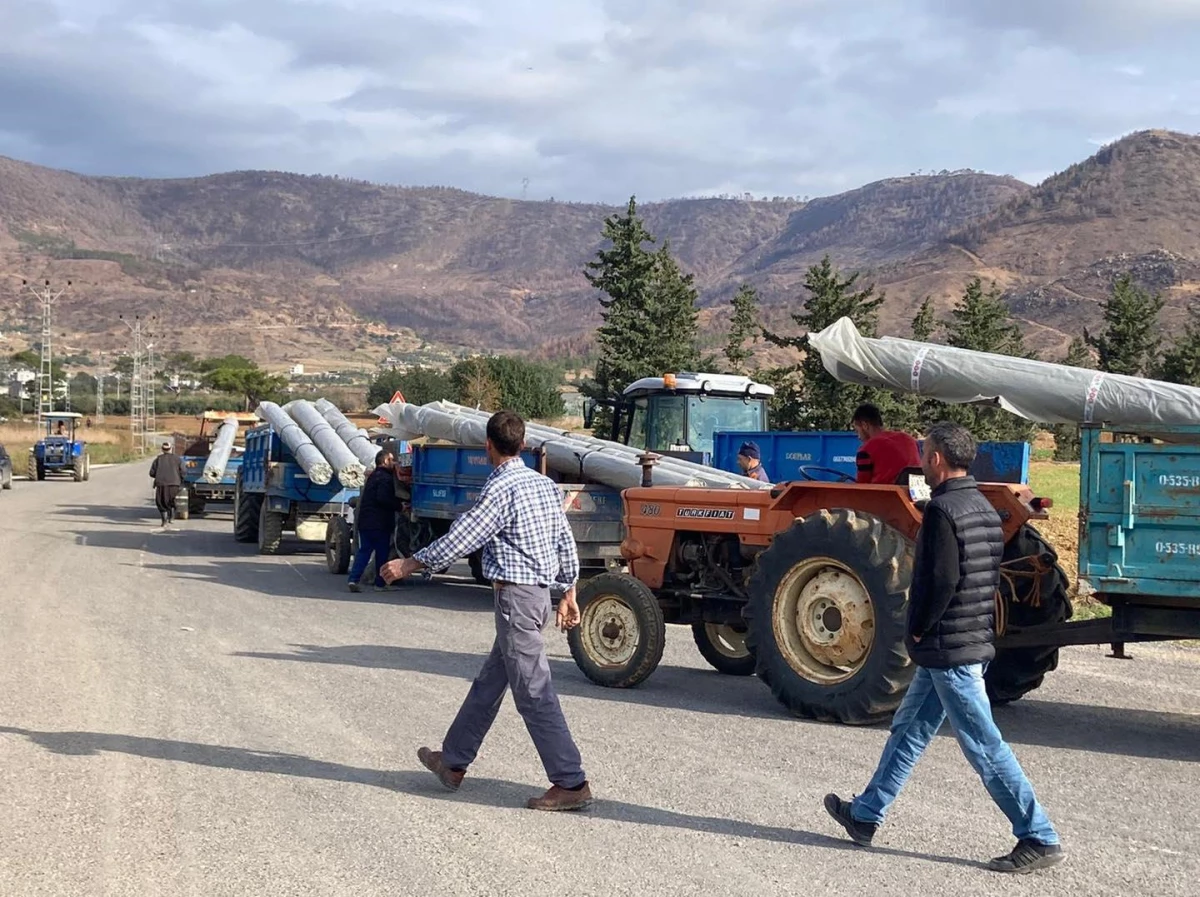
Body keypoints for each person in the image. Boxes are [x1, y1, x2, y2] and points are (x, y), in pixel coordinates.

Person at [823, 421, 1064, 874]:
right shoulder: (984, 507)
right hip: (964, 641)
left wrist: (916, 629)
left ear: (936, 459)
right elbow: (984, 577)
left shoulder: (941, 510)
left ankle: (1039, 834)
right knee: (909, 728)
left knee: (983, 746)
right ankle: (866, 814)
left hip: (948, 649)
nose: (921, 461)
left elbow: (940, 580)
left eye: (924, 453)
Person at [380, 410, 591, 812]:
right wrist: (569, 590)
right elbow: (564, 538)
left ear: (488, 446)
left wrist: (410, 562)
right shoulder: (544, 485)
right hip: (536, 597)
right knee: (491, 682)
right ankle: (453, 760)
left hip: (516, 598)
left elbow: (463, 537)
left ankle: (570, 780)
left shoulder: (500, 489)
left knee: (533, 690)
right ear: (524, 445)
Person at [348, 450, 404, 593]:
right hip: (380, 523)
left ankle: (353, 579)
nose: (394, 463)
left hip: (366, 522)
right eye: (392, 460)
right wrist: (399, 506)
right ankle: (380, 584)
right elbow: (383, 498)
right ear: (385, 461)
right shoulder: (385, 478)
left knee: (364, 551)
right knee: (382, 554)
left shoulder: (373, 476)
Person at [851, 403, 921, 485]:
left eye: (857, 431)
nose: (858, 437)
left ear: (865, 425)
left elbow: (861, 487)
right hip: (914, 495)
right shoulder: (908, 439)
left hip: (884, 496)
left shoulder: (866, 450)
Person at [148, 441, 184, 527]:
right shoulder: (178, 459)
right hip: (174, 484)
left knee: (161, 502)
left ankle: (164, 521)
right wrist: (180, 479)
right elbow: (183, 472)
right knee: (172, 500)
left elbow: (152, 473)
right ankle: (171, 516)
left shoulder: (157, 460)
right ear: (171, 449)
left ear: (162, 449)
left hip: (161, 484)